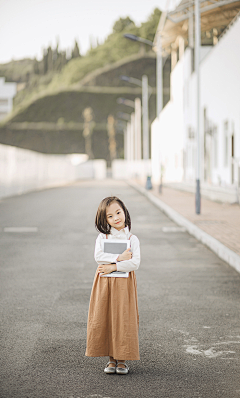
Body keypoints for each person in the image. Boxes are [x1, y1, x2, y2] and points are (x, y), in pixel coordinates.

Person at [85, 196, 140, 375]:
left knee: (123, 317)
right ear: (104, 219)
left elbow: (135, 263)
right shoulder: (103, 237)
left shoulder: (133, 239)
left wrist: (114, 266)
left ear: (124, 212)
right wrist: (118, 257)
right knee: (106, 316)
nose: (116, 218)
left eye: (118, 212)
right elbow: (98, 256)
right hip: (104, 282)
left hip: (124, 283)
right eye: (110, 216)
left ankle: (122, 360)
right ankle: (111, 359)